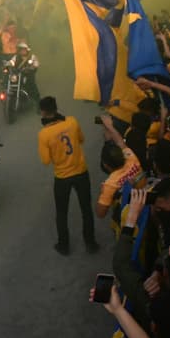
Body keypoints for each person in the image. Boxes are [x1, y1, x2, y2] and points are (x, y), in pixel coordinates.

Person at [37, 97, 97, 255]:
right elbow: (81, 139)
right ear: (56, 108)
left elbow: (45, 160)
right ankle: (90, 242)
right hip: (81, 172)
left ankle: (64, 245)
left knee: (62, 213)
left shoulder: (44, 134)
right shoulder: (72, 121)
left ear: (42, 112)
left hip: (62, 177)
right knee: (86, 209)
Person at [4, 41, 40, 105]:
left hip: (28, 76)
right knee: (8, 82)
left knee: (33, 89)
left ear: (27, 50)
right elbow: (11, 62)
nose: (22, 51)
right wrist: (7, 64)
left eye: (24, 49)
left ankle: (38, 104)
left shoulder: (32, 57)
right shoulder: (16, 57)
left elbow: (36, 64)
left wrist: (33, 67)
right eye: (21, 49)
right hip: (18, 75)